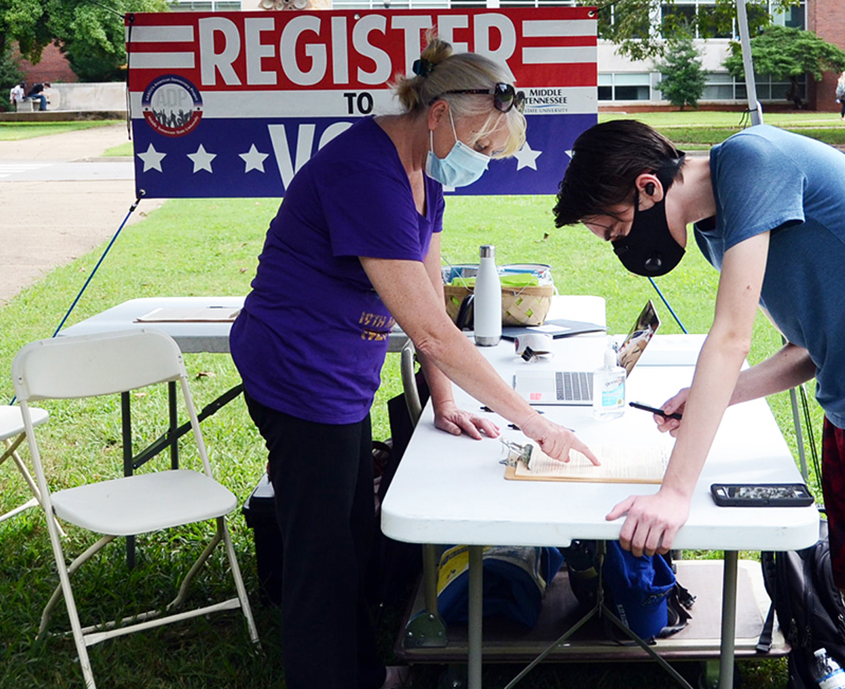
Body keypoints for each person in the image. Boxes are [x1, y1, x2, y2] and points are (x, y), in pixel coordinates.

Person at [552, 119, 845, 688]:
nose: (620, 246)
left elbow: (732, 336)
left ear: (649, 188)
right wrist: (717, 397)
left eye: (614, 230)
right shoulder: (714, 227)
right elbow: (807, 347)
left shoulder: (752, 162)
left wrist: (674, 494)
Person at [230, 36, 597, 689]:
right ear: (438, 117)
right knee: (321, 553)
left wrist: (447, 401)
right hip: (296, 372)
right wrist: (534, 424)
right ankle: (327, 673)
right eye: (482, 148)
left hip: (339, 374)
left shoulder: (421, 175)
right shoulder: (364, 173)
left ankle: (364, 665)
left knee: (350, 534)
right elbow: (430, 333)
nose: (483, 162)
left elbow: (432, 304)